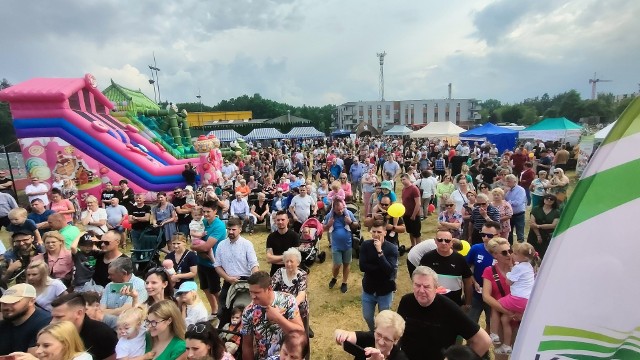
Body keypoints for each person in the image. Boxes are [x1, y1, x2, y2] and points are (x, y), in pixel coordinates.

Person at [397, 266, 491, 360]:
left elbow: (484, 341)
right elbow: (397, 333)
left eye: (426, 286)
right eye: (417, 285)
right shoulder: (406, 301)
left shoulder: (449, 308)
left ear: (436, 287)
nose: (421, 291)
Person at [241, 271, 304, 360]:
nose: (253, 296)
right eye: (251, 292)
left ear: (269, 289)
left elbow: (300, 332)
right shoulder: (248, 312)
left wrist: (278, 318)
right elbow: (247, 346)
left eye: (257, 292)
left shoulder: (288, 300)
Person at [491, 242, 539, 355]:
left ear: (524, 257)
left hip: (516, 299)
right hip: (526, 301)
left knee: (495, 305)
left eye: (515, 254)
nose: (512, 255)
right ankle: (507, 346)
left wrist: (509, 273)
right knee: (505, 319)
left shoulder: (519, 267)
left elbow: (509, 282)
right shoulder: (529, 266)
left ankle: (493, 333)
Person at [214, 217, 259, 326]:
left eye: (233, 229)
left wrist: (256, 281)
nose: (230, 232)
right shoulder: (221, 245)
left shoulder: (247, 244)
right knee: (222, 311)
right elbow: (217, 266)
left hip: (246, 281)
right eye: (229, 229)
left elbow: (253, 264)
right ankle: (225, 333)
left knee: (248, 309)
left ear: (240, 229)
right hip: (228, 281)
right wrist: (228, 278)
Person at [49, 292, 119, 360]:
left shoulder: (102, 334)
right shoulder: (54, 333)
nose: (52, 322)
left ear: (79, 313)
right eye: (53, 317)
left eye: (59, 317)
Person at [359, 221, 399, 331]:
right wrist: (380, 268)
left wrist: (380, 251)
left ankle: (382, 334)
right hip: (369, 289)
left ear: (385, 233)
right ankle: (374, 333)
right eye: (374, 231)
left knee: (384, 319)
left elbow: (389, 270)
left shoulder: (391, 248)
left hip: (385, 290)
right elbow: (362, 266)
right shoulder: (365, 245)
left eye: (379, 232)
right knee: (367, 316)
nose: (376, 234)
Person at [191, 200, 227, 321]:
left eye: (208, 212)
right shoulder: (203, 222)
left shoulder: (219, 226)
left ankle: (223, 314)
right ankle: (214, 310)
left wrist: (192, 247)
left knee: (216, 290)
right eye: (204, 211)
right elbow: (194, 235)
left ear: (215, 211)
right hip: (201, 262)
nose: (205, 214)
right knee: (205, 288)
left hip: (213, 264)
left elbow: (207, 246)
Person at [419, 230, 473, 307]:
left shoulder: (460, 259)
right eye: (440, 240)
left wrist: (468, 303)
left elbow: (467, 282)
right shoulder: (427, 258)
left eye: (447, 240)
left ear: (452, 242)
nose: (443, 243)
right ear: (435, 241)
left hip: (454, 303)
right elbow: (420, 279)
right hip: (432, 302)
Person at [481, 238, 515, 358]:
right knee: (501, 356)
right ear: (495, 255)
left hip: (520, 319)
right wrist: (507, 312)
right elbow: (486, 296)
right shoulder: (489, 271)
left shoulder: (520, 268)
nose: (509, 254)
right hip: (500, 319)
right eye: (504, 252)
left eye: (510, 250)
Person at [465, 221, 501, 333]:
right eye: (483, 234)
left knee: (491, 324)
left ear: (498, 235)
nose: (485, 238)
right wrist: (473, 282)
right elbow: (466, 268)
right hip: (477, 294)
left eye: (489, 235)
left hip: (494, 297)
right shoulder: (476, 249)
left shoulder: (503, 252)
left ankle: (485, 346)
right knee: (470, 323)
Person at [334, 310, 408, 360]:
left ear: (396, 340)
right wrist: (341, 334)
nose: (381, 342)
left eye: (387, 339)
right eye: (378, 334)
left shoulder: (400, 358)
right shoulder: (369, 338)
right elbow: (340, 334)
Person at [0, 283, 52, 355]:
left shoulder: (45, 323)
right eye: (3, 303)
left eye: (13, 302)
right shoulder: (5, 324)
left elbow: (35, 356)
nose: (6, 307)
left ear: (31, 301)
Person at [271, 248, 310, 339]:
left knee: (300, 337)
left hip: (299, 310)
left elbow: (301, 294)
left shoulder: (302, 274)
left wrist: (290, 306)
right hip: (281, 309)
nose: (288, 264)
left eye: (291, 261)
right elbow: (270, 288)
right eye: (286, 261)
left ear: (298, 263)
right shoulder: (279, 272)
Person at [9, 321, 93, 360]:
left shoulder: (83, 357)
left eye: (46, 345)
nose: (38, 351)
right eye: (38, 345)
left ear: (66, 344)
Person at [324, 200, 358, 293]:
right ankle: (334, 278)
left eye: (342, 208)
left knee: (346, 264)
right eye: (338, 210)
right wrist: (329, 225)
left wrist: (350, 222)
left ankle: (344, 282)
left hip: (347, 245)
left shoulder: (348, 214)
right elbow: (323, 228)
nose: (341, 211)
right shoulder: (330, 216)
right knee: (337, 264)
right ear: (333, 209)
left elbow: (356, 226)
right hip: (336, 246)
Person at [266, 211, 300, 276]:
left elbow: (295, 258)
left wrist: (275, 259)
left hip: (291, 272)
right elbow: (269, 259)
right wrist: (287, 257)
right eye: (278, 220)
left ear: (287, 221)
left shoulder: (294, 236)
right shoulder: (271, 237)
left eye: (283, 220)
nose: (280, 222)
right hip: (275, 273)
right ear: (275, 221)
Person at [527, 194, 561, 258]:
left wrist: (538, 226)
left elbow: (553, 225)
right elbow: (532, 223)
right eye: (547, 198)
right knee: (530, 252)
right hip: (534, 234)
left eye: (551, 199)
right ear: (543, 199)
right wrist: (538, 235)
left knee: (543, 254)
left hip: (547, 236)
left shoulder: (556, 212)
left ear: (554, 201)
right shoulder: (536, 209)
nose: (549, 200)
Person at [503, 174, 527, 243]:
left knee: (520, 232)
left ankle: (521, 248)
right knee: (509, 232)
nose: (507, 183)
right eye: (506, 181)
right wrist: (504, 193)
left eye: (509, 181)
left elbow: (518, 202)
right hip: (509, 215)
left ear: (514, 181)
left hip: (519, 214)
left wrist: (507, 203)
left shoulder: (520, 190)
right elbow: (503, 200)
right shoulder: (507, 190)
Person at [400, 174, 421, 248]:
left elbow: (418, 203)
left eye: (404, 179)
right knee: (410, 232)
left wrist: (414, 215)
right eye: (401, 180)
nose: (402, 181)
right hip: (406, 214)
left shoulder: (414, 189)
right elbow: (404, 201)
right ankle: (413, 246)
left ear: (408, 179)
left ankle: (418, 248)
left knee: (416, 233)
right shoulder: (404, 189)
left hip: (414, 215)